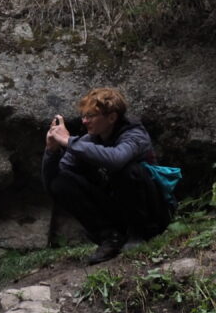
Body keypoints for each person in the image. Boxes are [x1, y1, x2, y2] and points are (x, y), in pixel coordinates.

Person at [42, 87, 171, 264]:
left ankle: (139, 234)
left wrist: (69, 141)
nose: (85, 121)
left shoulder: (134, 134)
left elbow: (116, 159)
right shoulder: (89, 140)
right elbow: (54, 181)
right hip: (118, 210)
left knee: (127, 169)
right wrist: (51, 150)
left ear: (111, 117)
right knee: (61, 182)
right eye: (83, 116)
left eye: (91, 116)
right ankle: (111, 238)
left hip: (152, 213)